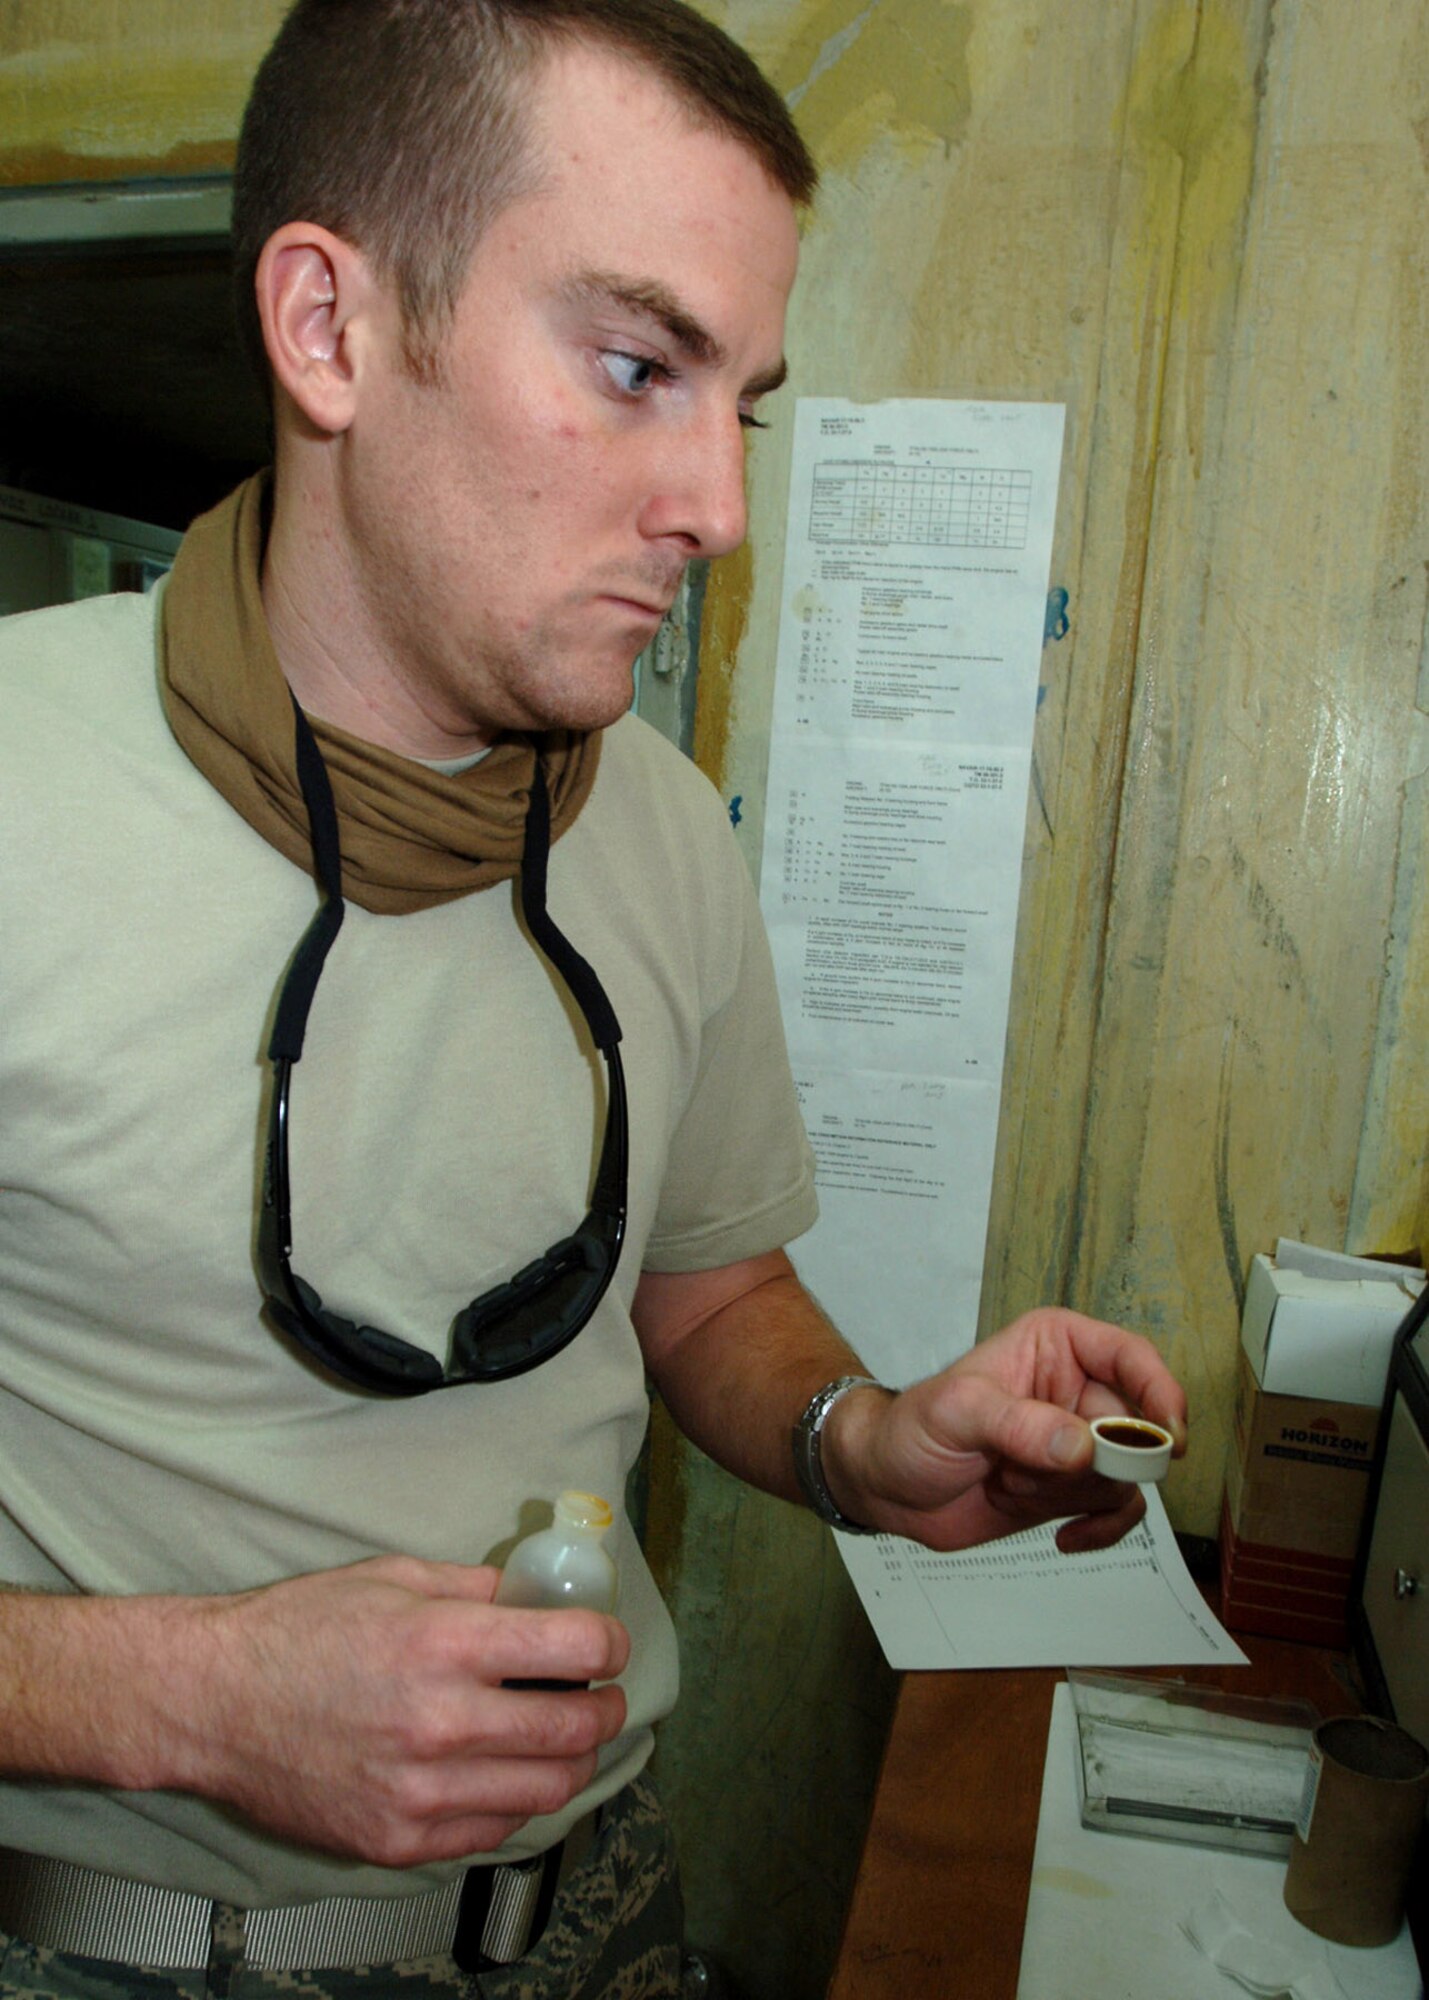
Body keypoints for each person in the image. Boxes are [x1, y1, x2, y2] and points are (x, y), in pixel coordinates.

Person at [0, 2, 1187, 1995]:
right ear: (331, 327)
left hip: (605, 1922)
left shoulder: (655, 831)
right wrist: (192, 1697)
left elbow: (702, 1292)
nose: (717, 506)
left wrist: (860, 1431)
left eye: (743, 403)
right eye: (635, 365)